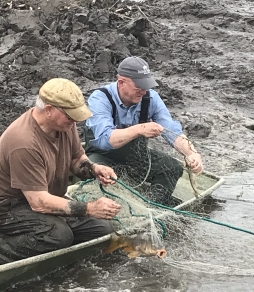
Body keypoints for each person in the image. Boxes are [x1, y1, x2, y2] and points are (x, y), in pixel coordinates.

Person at [0, 78, 122, 267]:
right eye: (70, 117)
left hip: (42, 196)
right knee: (58, 235)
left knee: (101, 229)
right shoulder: (24, 142)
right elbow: (38, 203)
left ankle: (58, 263)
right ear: (48, 110)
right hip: (5, 207)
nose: (75, 122)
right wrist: (89, 208)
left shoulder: (64, 125)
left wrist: (94, 169)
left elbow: (76, 159)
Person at [84, 56, 204, 206]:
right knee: (94, 173)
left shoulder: (151, 98)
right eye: (138, 87)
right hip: (101, 156)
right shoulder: (100, 99)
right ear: (121, 82)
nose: (143, 91)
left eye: (146, 86)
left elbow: (172, 131)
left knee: (172, 167)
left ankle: (150, 207)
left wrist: (191, 153)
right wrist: (140, 129)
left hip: (136, 158)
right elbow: (106, 139)